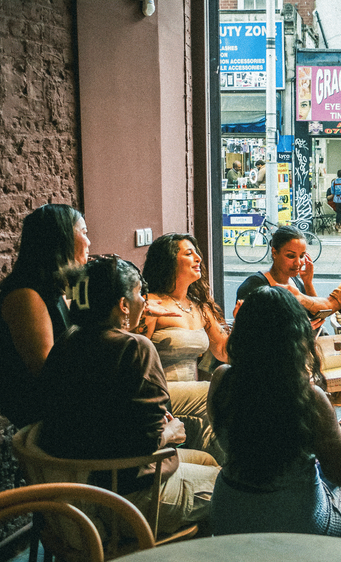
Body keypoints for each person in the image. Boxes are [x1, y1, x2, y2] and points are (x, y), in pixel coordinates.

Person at [37, 256, 219, 534]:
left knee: (207, 460)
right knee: (227, 488)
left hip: (75, 500)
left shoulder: (66, 342)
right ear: (123, 305)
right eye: (138, 294)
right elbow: (146, 441)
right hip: (124, 500)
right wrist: (171, 431)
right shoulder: (135, 348)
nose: (144, 301)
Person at [209, 286, 341, 536]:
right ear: (296, 337)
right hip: (296, 524)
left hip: (229, 515)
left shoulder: (221, 379)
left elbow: (227, 442)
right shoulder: (307, 396)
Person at [139, 233, 228, 462]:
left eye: (197, 252)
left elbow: (225, 351)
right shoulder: (152, 303)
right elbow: (136, 358)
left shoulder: (200, 307)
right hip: (160, 393)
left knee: (216, 434)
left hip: (193, 399)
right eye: (189, 254)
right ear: (169, 262)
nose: (198, 258)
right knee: (213, 390)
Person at [0, 204, 90, 428]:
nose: (89, 243)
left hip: (64, 402)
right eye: (84, 233)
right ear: (62, 238)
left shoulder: (57, 286)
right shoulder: (26, 296)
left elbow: (84, 327)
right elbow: (48, 373)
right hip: (42, 418)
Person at [233, 226, 323, 330]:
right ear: (274, 252)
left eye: (302, 256)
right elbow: (250, 333)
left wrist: (308, 283)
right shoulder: (254, 286)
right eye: (291, 256)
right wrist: (298, 331)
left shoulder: (295, 282)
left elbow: (317, 314)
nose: (298, 262)